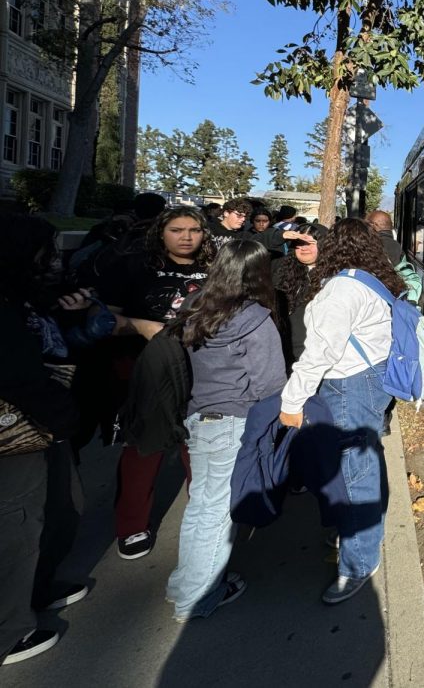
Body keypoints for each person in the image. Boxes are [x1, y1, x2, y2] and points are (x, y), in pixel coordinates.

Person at [278, 218, 404, 604]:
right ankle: (363, 535)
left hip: (348, 385)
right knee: (365, 463)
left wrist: (291, 400)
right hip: (374, 378)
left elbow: (319, 354)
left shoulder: (340, 290)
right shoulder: (372, 279)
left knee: (354, 473)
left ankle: (359, 563)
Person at [164, 240, 286, 622]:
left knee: (200, 506)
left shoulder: (194, 307)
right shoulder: (256, 320)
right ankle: (197, 597)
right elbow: (271, 384)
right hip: (235, 421)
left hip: (198, 418)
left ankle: (184, 583)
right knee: (218, 514)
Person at [98, 206, 212, 560]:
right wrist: (142, 327)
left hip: (200, 366)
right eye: (177, 229)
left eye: (194, 230)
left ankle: (206, 520)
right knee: (142, 446)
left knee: (198, 445)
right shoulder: (135, 266)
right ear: (161, 232)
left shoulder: (214, 270)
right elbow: (102, 316)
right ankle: (132, 525)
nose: (187, 236)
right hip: (144, 367)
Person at [0, 215, 85, 666]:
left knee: (59, 507)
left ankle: (35, 588)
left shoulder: (23, 294)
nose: (52, 260)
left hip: (47, 423)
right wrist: (59, 412)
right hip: (17, 431)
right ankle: (8, 630)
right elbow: (17, 373)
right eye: (44, 251)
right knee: (16, 523)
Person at [271, 223, 327, 369]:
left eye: (310, 243)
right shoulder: (281, 270)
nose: (304, 248)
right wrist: (280, 236)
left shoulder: (334, 278)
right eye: (299, 243)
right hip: (282, 354)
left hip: (316, 359)